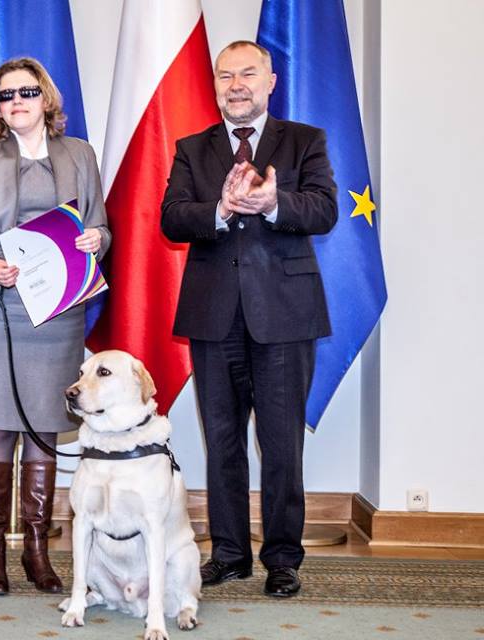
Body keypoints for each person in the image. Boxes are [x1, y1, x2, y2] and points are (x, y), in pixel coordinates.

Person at [161, 40, 337, 598]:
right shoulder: (193, 147)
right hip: (214, 316)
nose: (235, 85)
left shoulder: (305, 140)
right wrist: (219, 209)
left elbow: (325, 209)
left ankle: (282, 558)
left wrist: (272, 203)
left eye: (247, 75)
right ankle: (231, 554)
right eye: (225, 76)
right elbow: (172, 219)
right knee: (223, 440)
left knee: (282, 443)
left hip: (285, 315)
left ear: (270, 81)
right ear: (215, 85)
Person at [0, 57, 110, 596]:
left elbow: (100, 225)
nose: (16, 102)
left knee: (44, 428)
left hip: (58, 311)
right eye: (5, 95)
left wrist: (96, 241)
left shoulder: (80, 154)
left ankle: (36, 551)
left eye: (26, 92)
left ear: (46, 98)